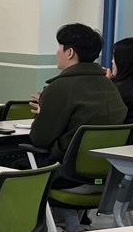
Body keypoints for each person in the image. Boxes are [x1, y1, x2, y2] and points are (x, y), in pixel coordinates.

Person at [29, 22, 127, 161]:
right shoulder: (109, 85)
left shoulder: (60, 87)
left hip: (63, 164)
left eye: (59, 47)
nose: (57, 52)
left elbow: (40, 139)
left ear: (70, 52)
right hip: (106, 163)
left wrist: (42, 112)